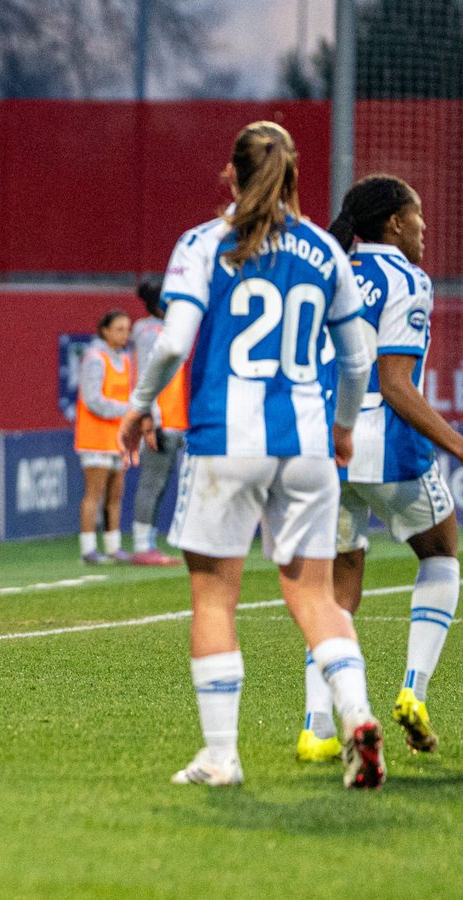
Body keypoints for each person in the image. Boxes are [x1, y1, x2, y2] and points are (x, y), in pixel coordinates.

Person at [118, 120, 385, 789]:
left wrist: (140, 405)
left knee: (214, 598)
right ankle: (355, 715)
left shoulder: (204, 244)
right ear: (294, 178)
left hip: (225, 441)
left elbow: (175, 343)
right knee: (315, 597)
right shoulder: (326, 250)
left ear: (230, 177)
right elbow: (358, 358)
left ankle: (220, 756)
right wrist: (345, 425)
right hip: (306, 443)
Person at [294, 174, 463, 762]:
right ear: (395, 223)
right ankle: (412, 691)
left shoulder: (327, 269)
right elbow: (396, 385)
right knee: (440, 551)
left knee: (336, 587)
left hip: (323, 448)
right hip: (384, 449)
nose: (425, 229)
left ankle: (318, 728)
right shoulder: (407, 279)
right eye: (418, 216)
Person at [126, 276, 187, 566]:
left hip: (172, 417)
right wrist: (152, 418)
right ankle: (141, 544)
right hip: (161, 418)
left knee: (159, 483)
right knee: (151, 483)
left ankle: (148, 542)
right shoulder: (151, 333)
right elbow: (146, 376)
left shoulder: (159, 329)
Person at [74, 309, 132, 564]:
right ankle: (88, 548)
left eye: (127, 329)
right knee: (94, 494)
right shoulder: (95, 358)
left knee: (116, 494)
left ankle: (113, 546)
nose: (124, 334)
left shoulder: (126, 360)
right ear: (105, 330)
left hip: (118, 437)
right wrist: (126, 411)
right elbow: (93, 399)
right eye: (119, 329)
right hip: (95, 437)